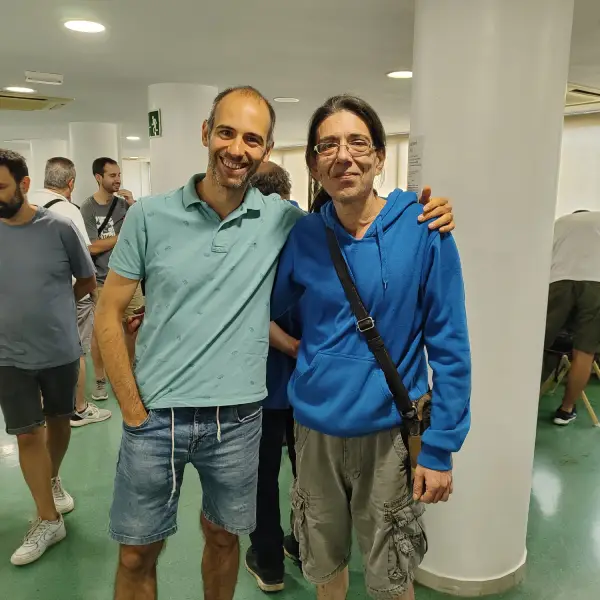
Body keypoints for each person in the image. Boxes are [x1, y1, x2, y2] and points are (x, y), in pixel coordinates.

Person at [95, 86, 455, 600]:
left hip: (249, 419)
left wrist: (429, 210)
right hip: (165, 416)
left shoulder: (291, 222)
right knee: (137, 554)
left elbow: (445, 341)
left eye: (252, 139)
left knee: (229, 541)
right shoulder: (157, 216)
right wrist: (133, 410)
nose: (237, 148)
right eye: (226, 132)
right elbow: (111, 314)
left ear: (266, 150)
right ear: (206, 133)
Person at [270, 95, 472, 600]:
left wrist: (441, 447)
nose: (344, 156)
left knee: (392, 578)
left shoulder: (424, 228)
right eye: (328, 146)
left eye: (358, 143)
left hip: (389, 437)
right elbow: (261, 306)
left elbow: (450, 346)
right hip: (314, 434)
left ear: (380, 157)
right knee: (324, 568)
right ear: (313, 164)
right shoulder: (304, 235)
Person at [0, 149, 96, 566]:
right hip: (7, 354)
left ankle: (52, 478)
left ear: (24, 185)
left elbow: (87, 279)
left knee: (58, 421)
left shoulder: (59, 228)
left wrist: (56, 307)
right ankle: (47, 518)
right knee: (26, 433)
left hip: (58, 349)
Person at [244, 162, 302, 592]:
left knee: (262, 476)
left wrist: (287, 346)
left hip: (258, 380)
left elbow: (245, 307)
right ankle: (304, 543)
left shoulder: (247, 234)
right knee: (311, 473)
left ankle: (268, 562)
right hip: (311, 381)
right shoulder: (314, 230)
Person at [29, 157, 112, 428]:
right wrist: (77, 297)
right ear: (71, 182)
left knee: (39, 352)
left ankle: (43, 409)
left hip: (30, 298)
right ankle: (78, 409)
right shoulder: (68, 210)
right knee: (76, 351)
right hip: (65, 294)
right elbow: (84, 259)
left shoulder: (25, 204)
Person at [80, 158, 143, 402]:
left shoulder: (125, 205)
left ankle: (129, 374)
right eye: (112, 175)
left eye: (119, 175)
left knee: (133, 327)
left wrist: (134, 206)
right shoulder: (87, 208)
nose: (118, 180)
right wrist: (122, 235)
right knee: (101, 332)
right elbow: (92, 247)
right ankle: (100, 381)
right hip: (101, 279)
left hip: (129, 277)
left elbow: (141, 233)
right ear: (99, 177)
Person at [543, 209, 600, 426]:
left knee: (539, 344)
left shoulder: (561, 222)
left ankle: (521, 398)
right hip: (597, 282)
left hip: (558, 279)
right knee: (584, 351)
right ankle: (565, 410)